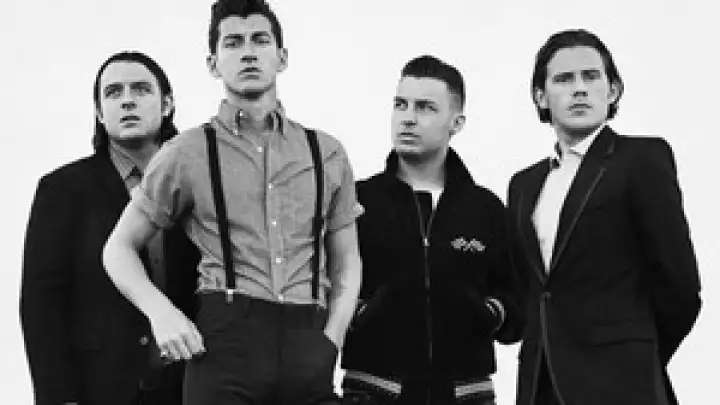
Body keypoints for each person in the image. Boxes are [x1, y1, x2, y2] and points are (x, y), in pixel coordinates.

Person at [102, 1, 363, 404]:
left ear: (282, 57)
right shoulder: (187, 151)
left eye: (260, 40)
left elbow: (347, 261)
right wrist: (161, 313)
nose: (248, 52)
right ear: (213, 64)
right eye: (233, 43)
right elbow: (118, 249)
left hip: (308, 344)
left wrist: (333, 338)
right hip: (225, 347)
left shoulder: (326, 152)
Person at [506, 29, 702, 405]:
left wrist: (634, 354)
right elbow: (529, 290)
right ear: (541, 96)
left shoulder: (641, 159)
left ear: (612, 91)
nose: (579, 89)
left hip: (621, 385)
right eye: (564, 79)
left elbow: (680, 286)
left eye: (591, 76)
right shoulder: (524, 185)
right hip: (541, 386)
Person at [341, 55, 522, 405]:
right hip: (374, 392)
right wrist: (361, 312)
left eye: (425, 107)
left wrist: (491, 313)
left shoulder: (485, 209)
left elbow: (519, 301)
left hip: (466, 394)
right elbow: (324, 284)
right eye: (401, 105)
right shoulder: (357, 202)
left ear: (457, 122)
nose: (408, 117)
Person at [20, 51, 199, 405]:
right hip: (99, 387)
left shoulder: (198, 184)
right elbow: (41, 305)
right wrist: (58, 397)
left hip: (190, 385)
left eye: (141, 89)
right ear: (100, 113)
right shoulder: (63, 189)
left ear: (167, 105)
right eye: (114, 93)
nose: (127, 100)